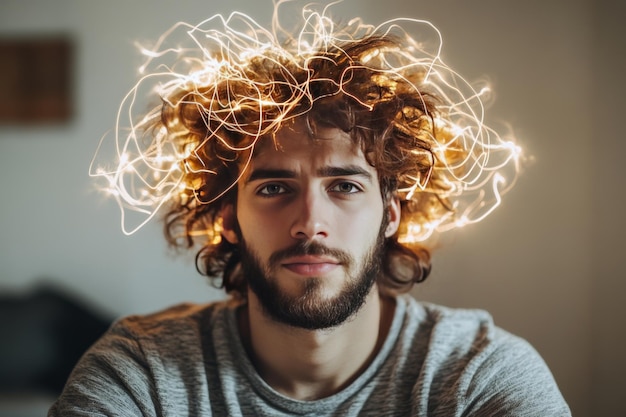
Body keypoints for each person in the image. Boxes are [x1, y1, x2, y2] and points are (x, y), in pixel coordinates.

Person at [50, 6, 571, 416]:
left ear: (390, 215)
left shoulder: (478, 374)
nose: (310, 222)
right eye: (274, 188)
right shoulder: (141, 370)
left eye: (344, 186)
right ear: (228, 218)